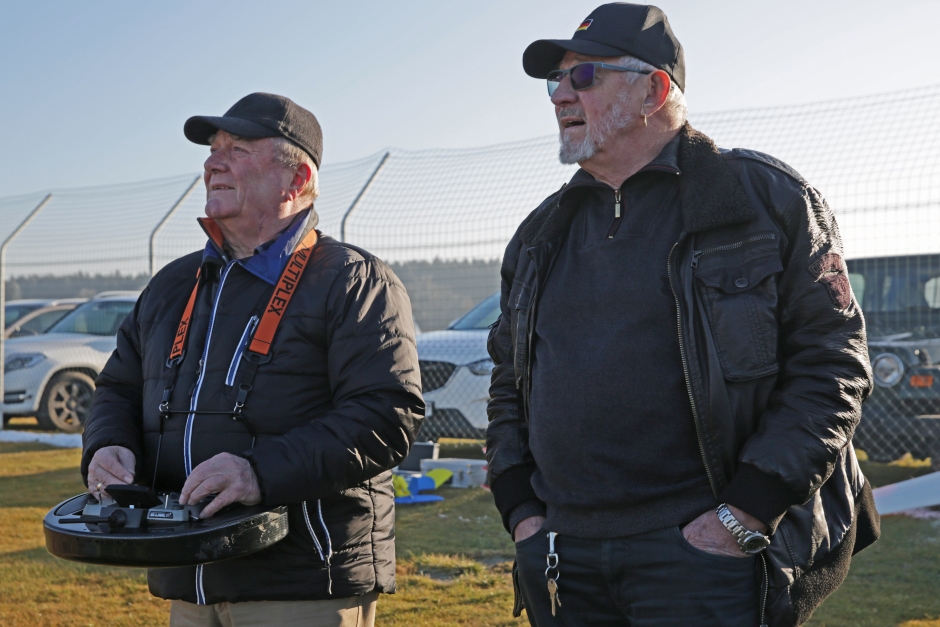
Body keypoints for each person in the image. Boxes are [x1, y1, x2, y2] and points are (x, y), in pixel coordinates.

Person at [485, 4, 880, 626]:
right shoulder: (539, 234)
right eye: (555, 80)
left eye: (583, 76)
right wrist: (522, 513)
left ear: (654, 90)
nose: (559, 94)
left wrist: (744, 514)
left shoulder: (763, 200)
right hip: (563, 551)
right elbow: (509, 378)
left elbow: (833, 367)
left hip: (703, 555)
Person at [81, 92, 423, 627]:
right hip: (186, 577)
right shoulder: (173, 284)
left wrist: (257, 472)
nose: (213, 164)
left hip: (301, 584)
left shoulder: (354, 281)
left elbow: (385, 415)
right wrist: (107, 445)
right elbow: (118, 389)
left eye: (237, 150)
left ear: (296, 179)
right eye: (213, 151)